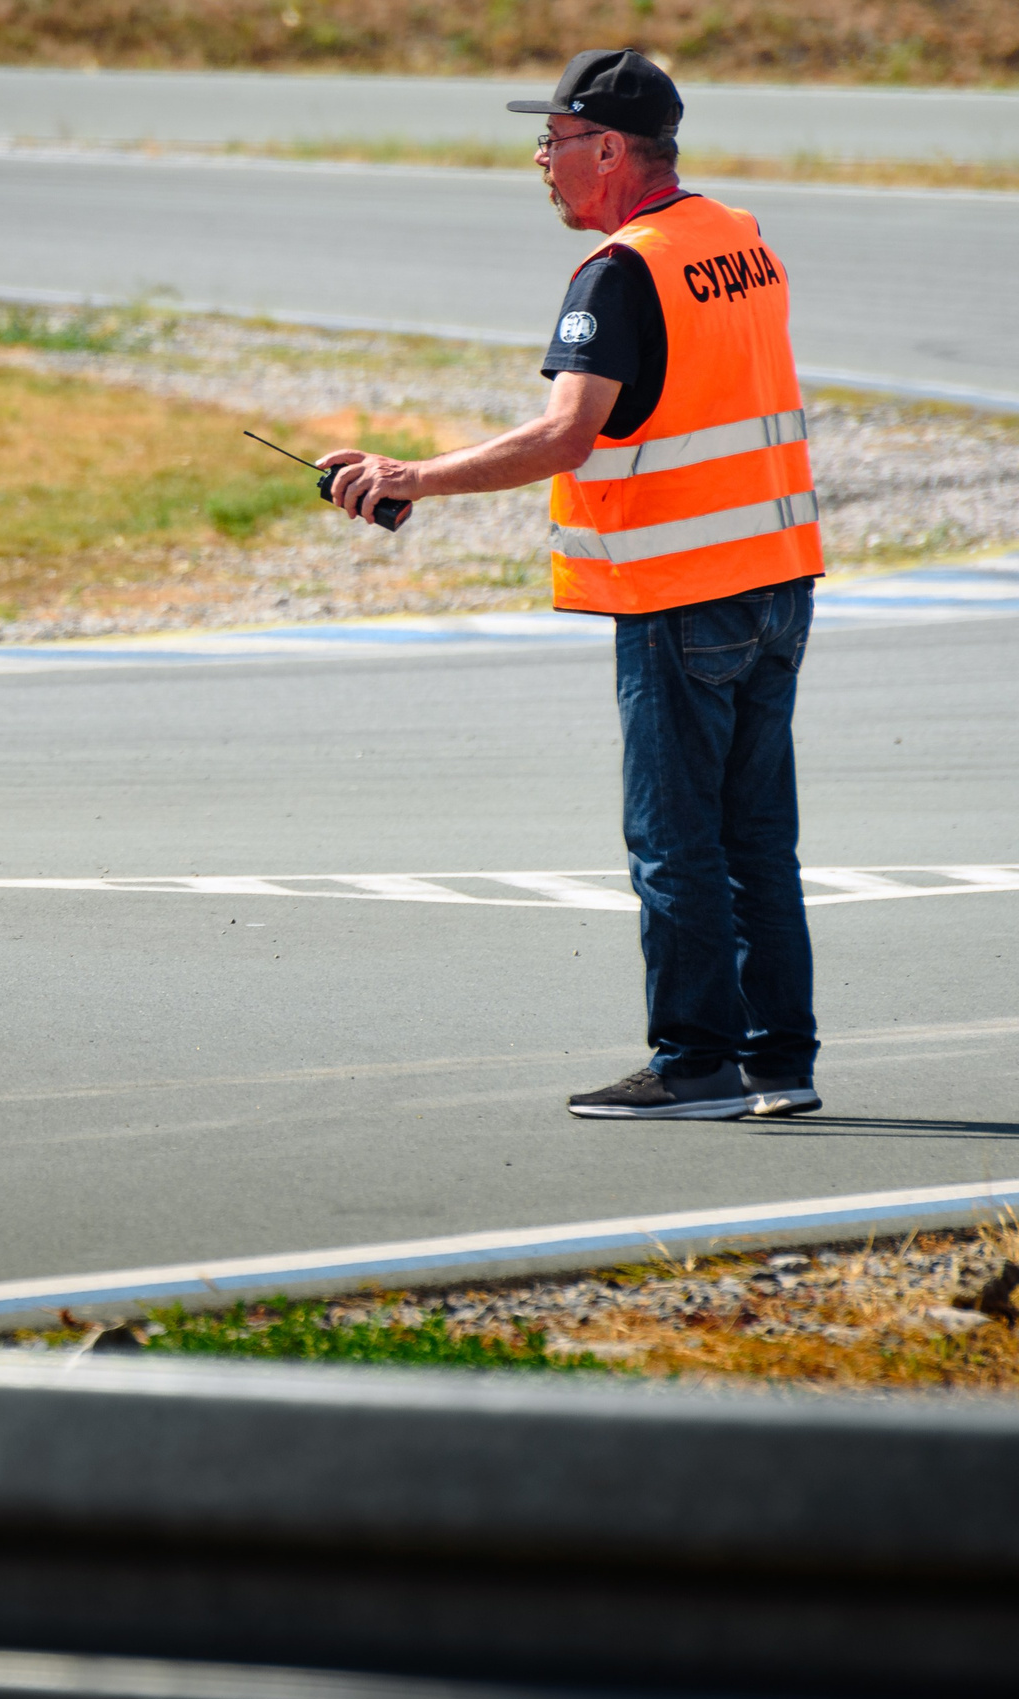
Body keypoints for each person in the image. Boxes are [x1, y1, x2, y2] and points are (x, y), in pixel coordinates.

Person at [316, 48, 822, 1121]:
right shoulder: (738, 238)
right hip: (775, 578)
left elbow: (567, 433)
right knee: (754, 837)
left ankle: (692, 1063)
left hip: (680, 593)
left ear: (608, 148)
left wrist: (406, 477)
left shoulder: (618, 272)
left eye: (551, 140)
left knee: (673, 837)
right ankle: (779, 1057)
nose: (539, 161)